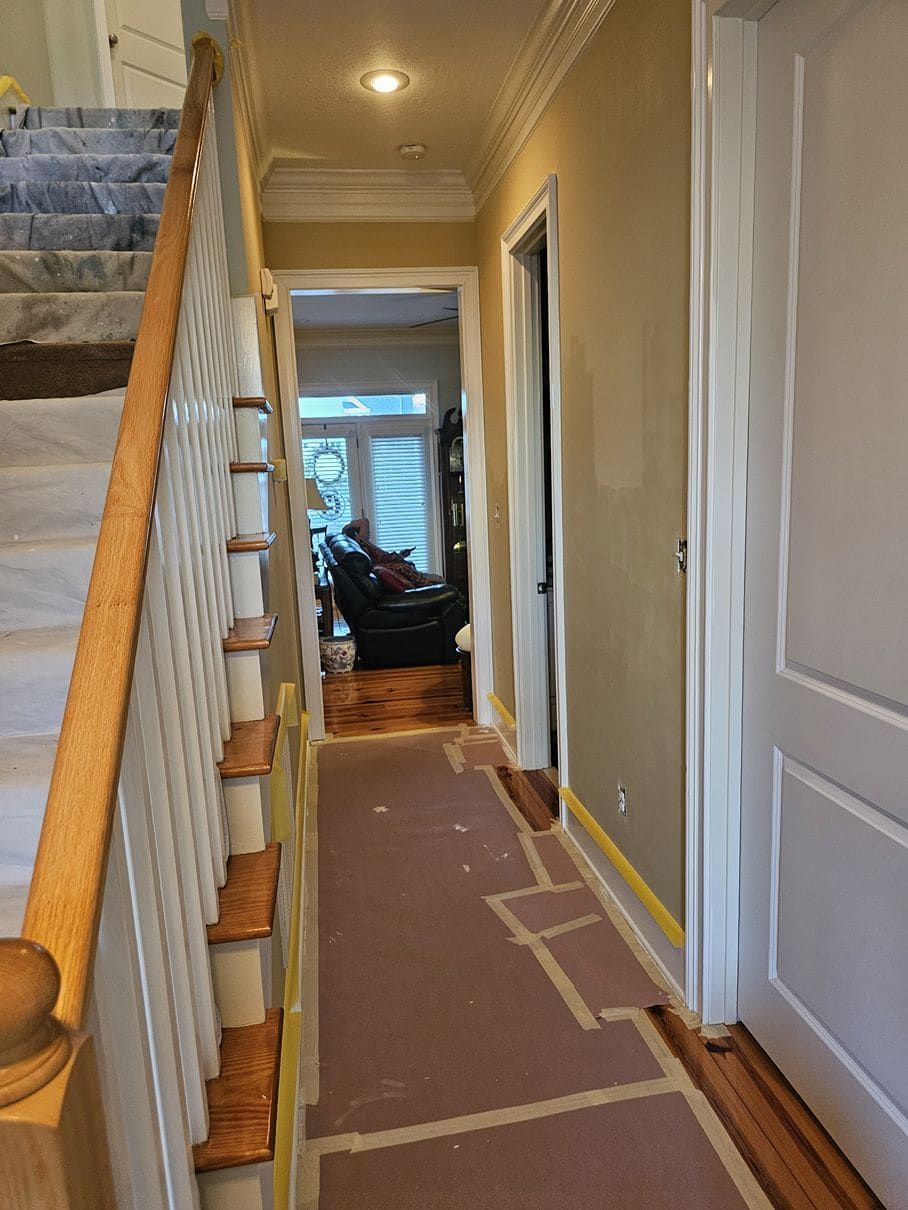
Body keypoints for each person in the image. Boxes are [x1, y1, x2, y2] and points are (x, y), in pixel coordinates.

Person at [341, 517, 443, 588]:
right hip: (405, 574)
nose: (369, 533)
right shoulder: (364, 545)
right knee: (440, 580)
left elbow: (386, 557)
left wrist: (401, 554)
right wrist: (349, 530)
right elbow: (364, 521)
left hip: (403, 568)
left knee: (436, 578)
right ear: (357, 535)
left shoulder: (363, 546)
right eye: (367, 532)